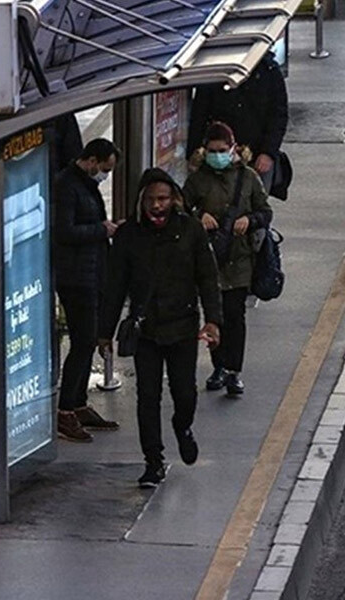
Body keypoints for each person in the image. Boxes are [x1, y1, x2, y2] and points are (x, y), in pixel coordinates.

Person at [100, 169, 223, 488]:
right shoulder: (128, 237)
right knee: (147, 396)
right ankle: (153, 460)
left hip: (183, 326)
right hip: (147, 329)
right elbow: (115, 287)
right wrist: (104, 333)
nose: (158, 206)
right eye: (152, 200)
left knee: (185, 393)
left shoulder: (191, 230)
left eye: (164, 199)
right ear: (142, 201)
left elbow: (207, 278)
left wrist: (213, 320)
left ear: (174, 200)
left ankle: (183, 427)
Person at [182, 122, 272, 398]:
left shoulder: (248, 178)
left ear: (233, 149)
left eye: (222, 150)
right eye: (212, 150)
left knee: (235, 316)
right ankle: (218, 366)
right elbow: (182, 210)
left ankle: (234, 370)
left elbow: (265, 211)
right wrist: (198, 217)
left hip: (240, 257)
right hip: (209, 259)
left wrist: (250, 219)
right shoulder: (198, 180)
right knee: (215, 315)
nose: (217, 155)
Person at [52, 139, 122, 442]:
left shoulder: (82, 184)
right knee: (82, 343)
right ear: (92, 160)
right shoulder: (67, 186)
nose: (104, 175)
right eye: (104, 169)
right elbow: (64, 231)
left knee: (87, 340)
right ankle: (65, 410)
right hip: (75, 276)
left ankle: (78, 404)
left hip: (90, 272)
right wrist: (101, 230)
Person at [188, 51, 288, 191]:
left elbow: (278, 116)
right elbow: (199, 115)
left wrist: (268, 152)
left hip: (256, 154)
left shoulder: (268, 71)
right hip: (219, 153)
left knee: (255, 201)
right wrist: (195, 153)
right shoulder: (215, 72)